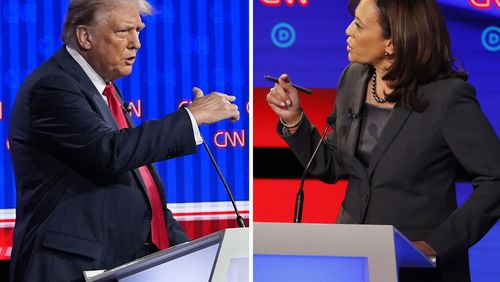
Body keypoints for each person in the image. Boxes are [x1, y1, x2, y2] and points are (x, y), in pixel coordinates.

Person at [266, 0, 500, 281]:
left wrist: (438, 245)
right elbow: (333, 167)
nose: (347, 30)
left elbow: (495, 180)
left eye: (359, 25)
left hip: (417, 267)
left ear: (392, 42)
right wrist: (294, 119)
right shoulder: (353, 78)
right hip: (354, 261)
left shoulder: (448, 97)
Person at [8, 0, 240, 281]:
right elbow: (111, 152)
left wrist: (189, 253)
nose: (136, 44)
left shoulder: (104, 89)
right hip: (69, 270)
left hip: (119, 265)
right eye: (123, 31)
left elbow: (141, 190)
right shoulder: (53, 86)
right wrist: (192, 117)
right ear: (85, 36)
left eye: (139, 31)